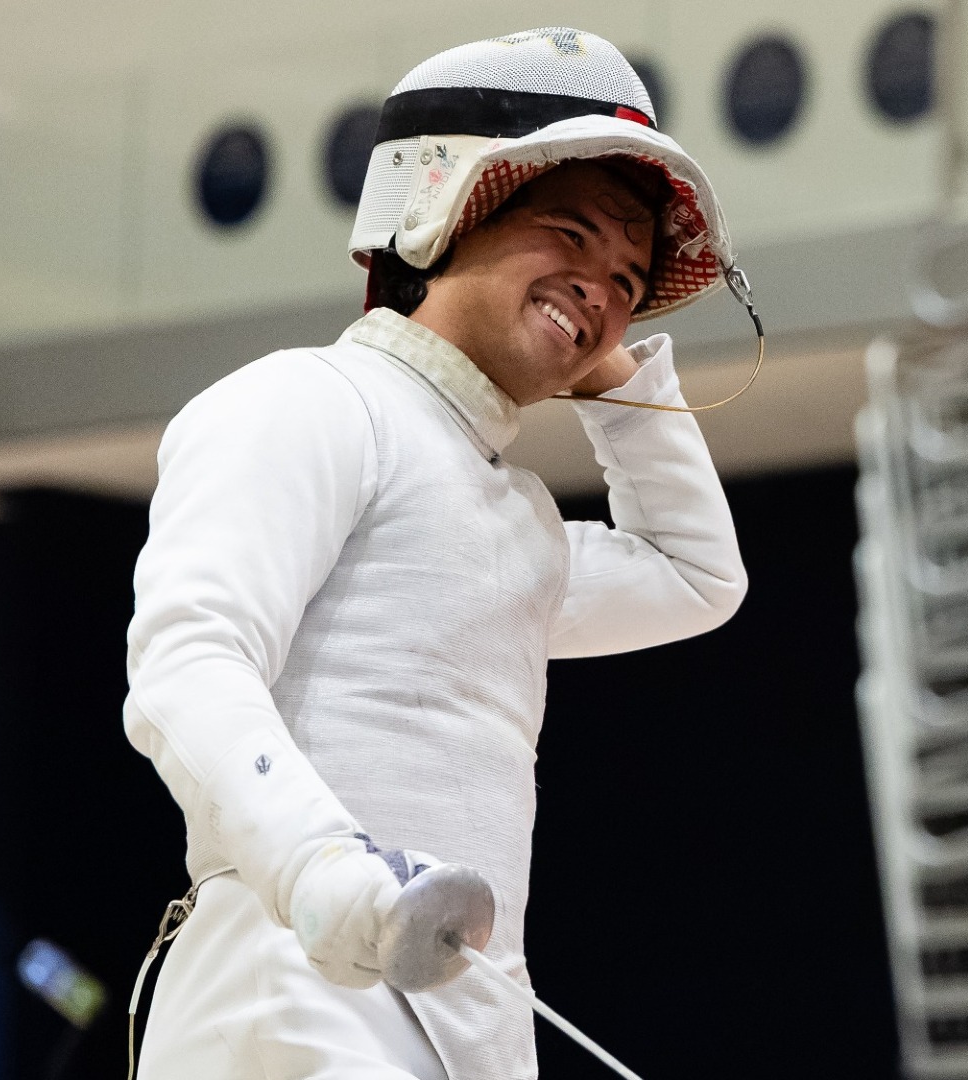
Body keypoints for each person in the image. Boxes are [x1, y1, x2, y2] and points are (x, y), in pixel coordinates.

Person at [123, 27, 749, 1080]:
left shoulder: (511, 515)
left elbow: (699, 577)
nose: (602, 290)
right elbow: (187, 659)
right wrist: (320, 868)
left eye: (628, 278)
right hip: (297, 984)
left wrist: (616, 373)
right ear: (443, 210)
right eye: (570, 234)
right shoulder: (311, 400)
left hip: (456, 1018)